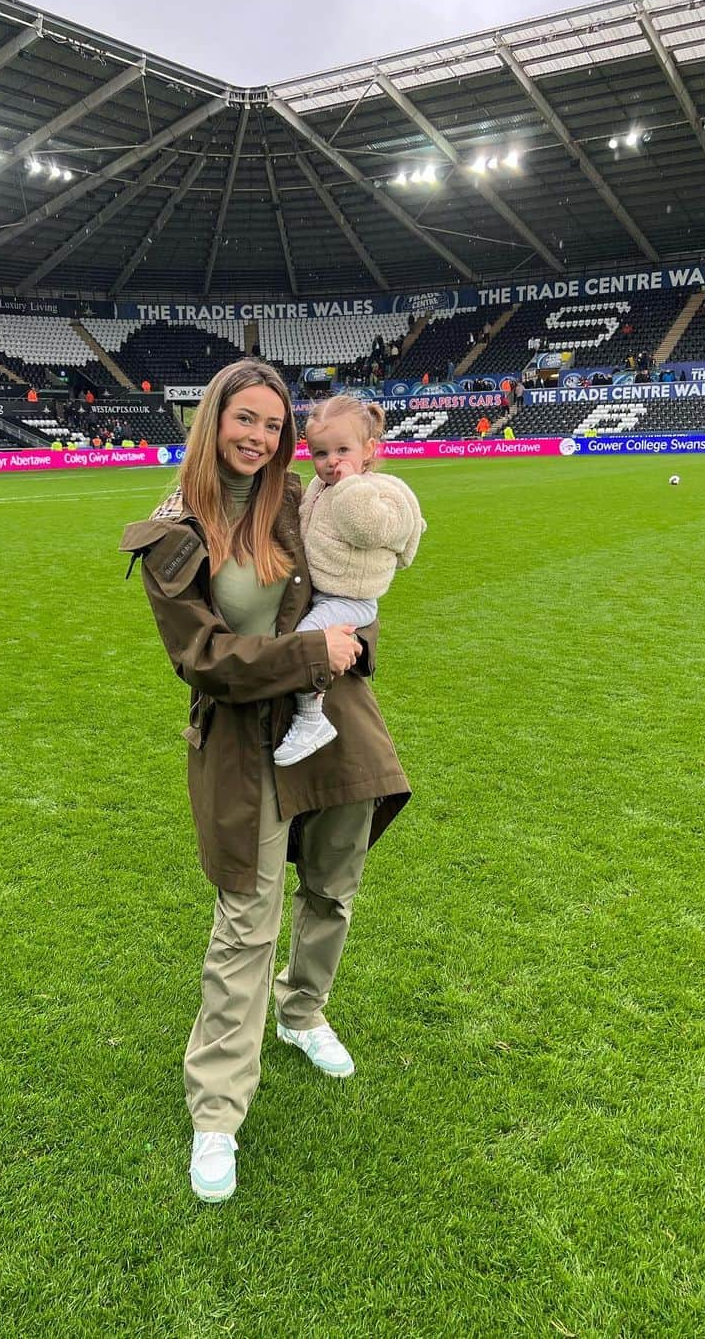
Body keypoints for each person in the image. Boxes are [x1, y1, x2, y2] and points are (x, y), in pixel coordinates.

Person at [119, 359, 410, 1203]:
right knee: (246, 919)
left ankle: (303, 1011)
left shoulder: (302, 501)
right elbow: (203, 660)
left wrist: (354, 625)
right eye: (245, 419)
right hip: (243, 741)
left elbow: (361, 577)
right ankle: (216, 1113)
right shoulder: (172, 534)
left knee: (333, 888)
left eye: (274, 426)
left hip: (335, 725)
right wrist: (309, 653)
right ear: (212, 420)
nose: (260, 438)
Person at [273, 396, 423, 767]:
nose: (332, 462)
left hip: (350, 599)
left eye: (343, 450)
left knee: (307, 646)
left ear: (368, 449)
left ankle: (310, 720)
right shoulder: (318, 488)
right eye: (321, 453)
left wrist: (351, 486)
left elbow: (371, 528)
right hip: (326, 593)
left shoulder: (379, 488)